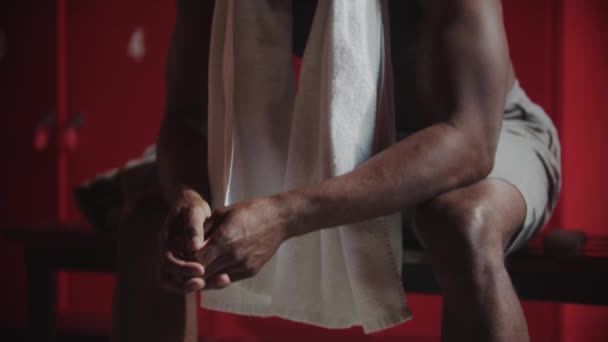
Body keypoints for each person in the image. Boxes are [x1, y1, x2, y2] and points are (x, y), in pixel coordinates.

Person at [111, 1, 560, 342]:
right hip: (342, 142)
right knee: (155, 214)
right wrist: (191, 198)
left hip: (485, 133)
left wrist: (284, 216)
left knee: (462, 223)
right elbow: (187, 118)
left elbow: (471, 141)